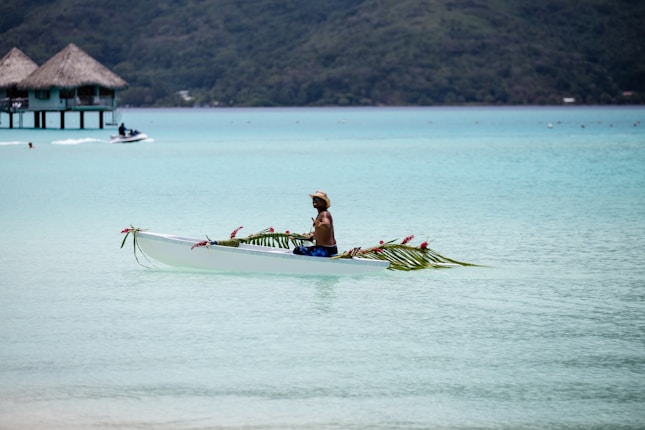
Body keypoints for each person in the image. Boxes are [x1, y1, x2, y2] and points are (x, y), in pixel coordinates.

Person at [293, 190, 337, 257]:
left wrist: (320, 224)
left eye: (317, 199)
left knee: (297, 250)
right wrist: (313, 235)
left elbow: (327, 225)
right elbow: (324, 232)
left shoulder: (324, 214)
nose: (314, 201)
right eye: (313, 199)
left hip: (325, 250)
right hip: (331, 249)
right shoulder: (321, 214)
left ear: (324, 202)